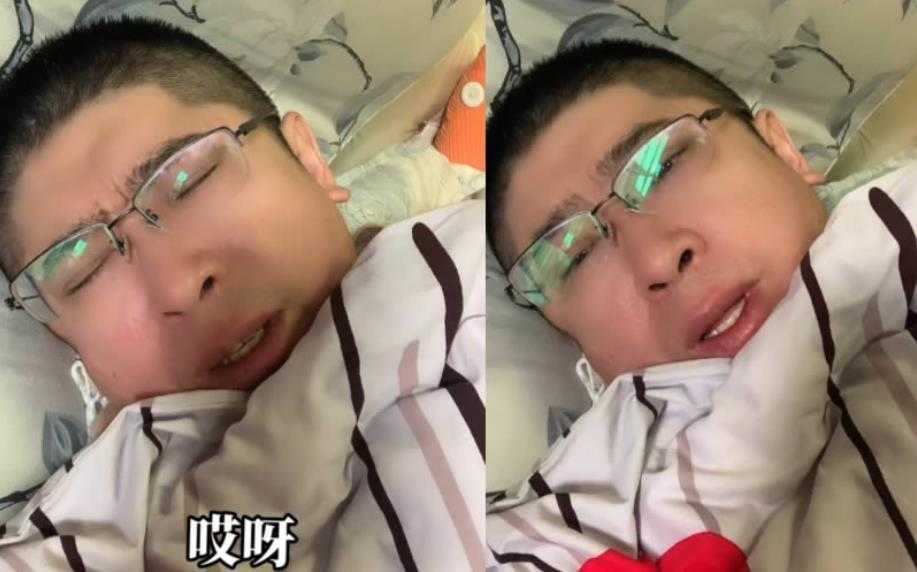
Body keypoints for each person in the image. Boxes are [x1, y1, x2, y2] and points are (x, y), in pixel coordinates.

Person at [0, 16, 485, 570]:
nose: (178, 286)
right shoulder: (91, 525)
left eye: (191, 180)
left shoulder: (458, 273)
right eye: (84, 271)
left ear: (308, 158)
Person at [485, 39, 917, 570]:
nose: (655, 261)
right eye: (571, 257)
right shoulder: (585, 511)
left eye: (664, 164)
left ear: (781, 147)